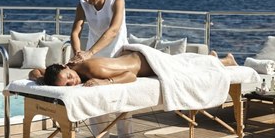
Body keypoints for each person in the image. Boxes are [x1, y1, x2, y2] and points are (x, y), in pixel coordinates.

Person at [66, 0, 133, 138]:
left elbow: (113, 30)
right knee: (97, 101)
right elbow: (75, 32)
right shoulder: (83, 5)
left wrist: (89, 52)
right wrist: (79, 52)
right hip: (93, 59)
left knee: (123, 99)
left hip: (117, 55)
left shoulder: (116, 1)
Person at [29, 49, 238, 87]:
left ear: (66, 68)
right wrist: (40, 78)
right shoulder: (71, 68)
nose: (72, 81)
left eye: (69, 77)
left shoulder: (92, 70)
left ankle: (227, 61)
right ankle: (212, 59)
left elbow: (130, 76)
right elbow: (36, 71)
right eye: (67, 84)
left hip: (148, 63)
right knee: (184, 61)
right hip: (138, 57)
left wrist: (105, 82)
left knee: (186, 68)